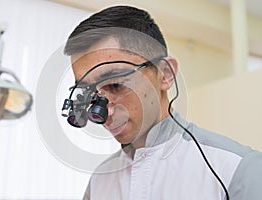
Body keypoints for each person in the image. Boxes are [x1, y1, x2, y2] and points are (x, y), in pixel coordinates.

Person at [62, 5, 262, 200]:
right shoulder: (100, 181)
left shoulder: (236, 169)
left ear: (165, 74)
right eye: (90, 94)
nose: (106, 112)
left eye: (115, 85)